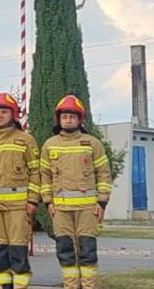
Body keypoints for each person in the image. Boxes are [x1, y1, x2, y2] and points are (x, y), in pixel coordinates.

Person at [41, 96, 112, 289]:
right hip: (60, 209)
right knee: (65, 250)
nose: (68, 120)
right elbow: (44, 176)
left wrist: (102, 202)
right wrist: (48, 202)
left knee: (87, 250)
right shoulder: (49, 145)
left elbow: (104, 174)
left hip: (87, 208)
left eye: (72, 116)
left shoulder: (92, 143)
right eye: (65, 116)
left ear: (80, 119)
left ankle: (88, 286)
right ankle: (70, 286)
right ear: (59, 119)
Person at [0, 93, 44, 289]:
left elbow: (35, 172)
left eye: (4, 112)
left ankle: (20, 286)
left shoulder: (26, 140)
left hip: (18, 207)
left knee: (18, 251)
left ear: (13, 114)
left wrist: (32, 201)